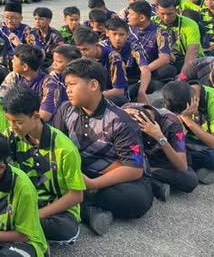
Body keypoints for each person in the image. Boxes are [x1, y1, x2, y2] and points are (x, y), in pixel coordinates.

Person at [51, 58, 153, 234]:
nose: (67, 90)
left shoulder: (120, 121)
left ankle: (81, 204)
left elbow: (133, 169)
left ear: (93, 85)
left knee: (137, 200)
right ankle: (89, 210)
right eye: (66, 85)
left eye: (72, 84)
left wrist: (92, 183)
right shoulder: (66, 109)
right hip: (78, 170)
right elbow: (54, 146)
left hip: (108, 176)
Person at [1, 85, 85, 245]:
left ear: (35, 116)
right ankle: (18, 230)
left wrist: (37, 215)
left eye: (18, 122)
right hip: (22, 201)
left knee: (65, 231)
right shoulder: (10, 136)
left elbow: (76, 195)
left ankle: (15, 230)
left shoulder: (65, 149)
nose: (13, 127)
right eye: (10, 121)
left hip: (56, 210)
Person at [122, 102, 197, 198]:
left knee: (190, 180)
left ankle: (146, 179)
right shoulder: (125, 112)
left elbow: (182, 166)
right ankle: (152, 182)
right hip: (137, 159)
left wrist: (160, 137)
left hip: (163, 162)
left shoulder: (172, 122)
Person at [161, 78, 214, 184]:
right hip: (194, 142)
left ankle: (189, 165)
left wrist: (187, 119)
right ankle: (195, 167)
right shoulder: (178, 96)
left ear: (196, 100)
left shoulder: (213, 101)